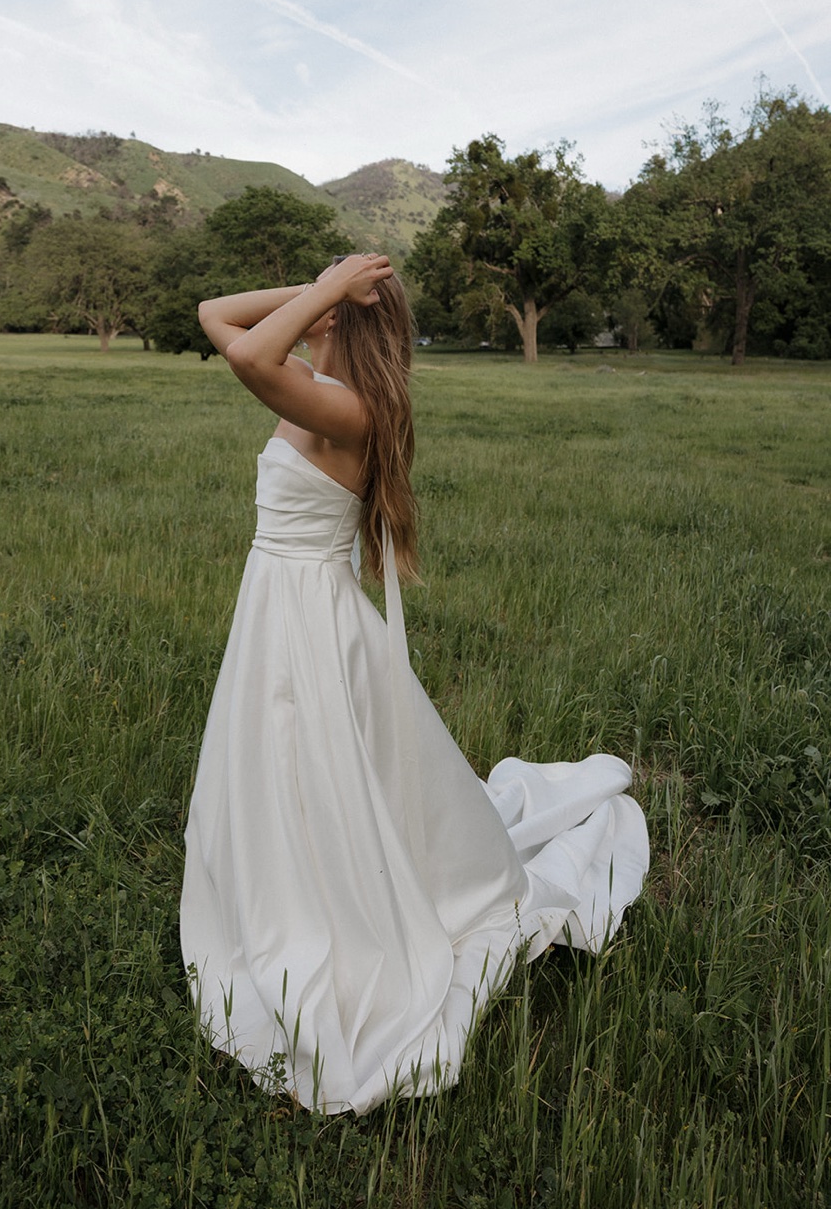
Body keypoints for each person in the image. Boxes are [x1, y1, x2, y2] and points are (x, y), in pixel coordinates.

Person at [178, 255, 647, 1114]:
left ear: (344, 322)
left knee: (310, 767)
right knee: (299, 772)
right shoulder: (321, 382)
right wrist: (325, 288)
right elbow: (214, 311)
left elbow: (241, 353)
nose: (314, 305)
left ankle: (324, 903)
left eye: (327, 301)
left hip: (305, 620)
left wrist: (323, 296)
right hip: (284, 604)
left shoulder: (344, 408)